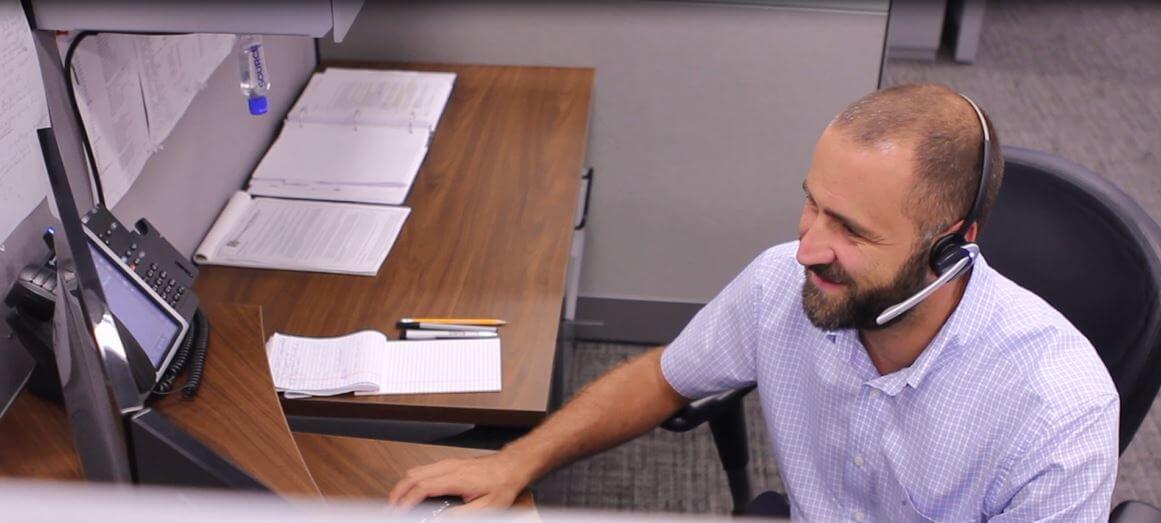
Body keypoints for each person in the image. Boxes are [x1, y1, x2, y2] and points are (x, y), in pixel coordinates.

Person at [387, 84, 1119, 521]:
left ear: (951, 246)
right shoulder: (783, 283)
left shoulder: (1058, 410)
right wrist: (517, 460)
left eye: (851, 230)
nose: (807, 247)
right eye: (812, 206)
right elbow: (661, 378)